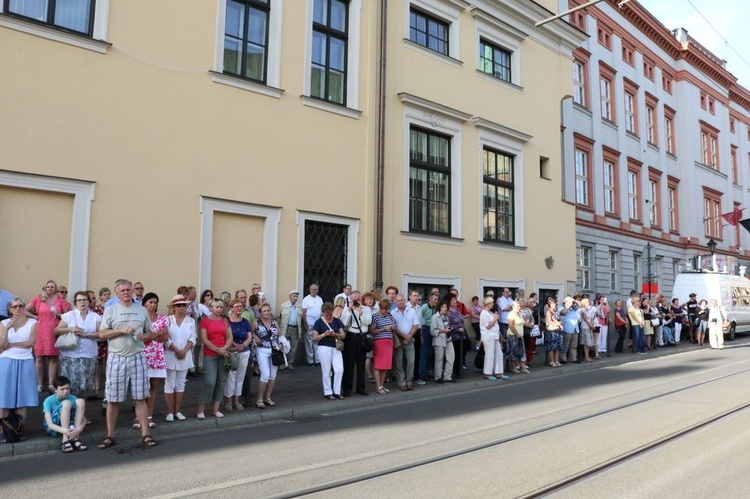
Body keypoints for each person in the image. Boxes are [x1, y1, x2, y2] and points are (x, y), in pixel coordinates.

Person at [97, 279, 156, 449]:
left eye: (129, 290)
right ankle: (110, 435)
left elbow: (150, 332)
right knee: (113, 399)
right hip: (116, 357)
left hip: (137, 356)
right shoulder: (111, 310)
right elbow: (102, 334)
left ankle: (145, 434)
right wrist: (121, 330)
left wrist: (146, 336)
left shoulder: (142, 310)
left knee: (140, 397)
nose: (126, 293)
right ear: (117, 293)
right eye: (122, 290)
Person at [26, 280, 71, 393]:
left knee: (53, 358)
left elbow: (67, 317)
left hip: (54, 331)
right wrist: (35, 317)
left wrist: (59, 315)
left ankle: (51, 384)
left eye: (52, 287)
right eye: (48, 287)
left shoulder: (60, 300)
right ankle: (39, 384)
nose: (50, 288)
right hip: (40, 331)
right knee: (40, 357)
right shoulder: (38, 298)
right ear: (45, 288)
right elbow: (24, 310)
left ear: (55, 289)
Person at [54, 291, 101, 400]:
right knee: (69, 386)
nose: (82, 302)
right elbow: (56, 331)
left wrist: (86, 335)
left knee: (85, 387)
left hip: (89, 355)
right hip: (70, 356)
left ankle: (81, 414)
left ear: (89, 302)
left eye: (84, 299)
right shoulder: (69, 315)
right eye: (79, 300)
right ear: (75, 302)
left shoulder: (95, 317)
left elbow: (101, 334)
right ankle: (67, 412)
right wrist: (71, 329)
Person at [0, 297, 38, 425]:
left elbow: (31, 343)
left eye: (21, 306)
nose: (18, 309)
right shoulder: (4, 323)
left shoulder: (32, 322)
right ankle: (2, 430)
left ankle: (18, 429)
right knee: (4, 397)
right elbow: (2, 345)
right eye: (15, 306)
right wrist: (7, 329)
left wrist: (11, 344)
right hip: (6, 361)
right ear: (10, 309)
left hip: (25, 360)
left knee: (23, 397)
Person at [197, 299, 233, 419]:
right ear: (210, 308)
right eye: (216, 307)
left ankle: (215, 409)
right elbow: (205, 339)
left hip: (224, 354)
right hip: (210, 354)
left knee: (221, 382)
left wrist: (225, 348)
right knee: (210, 382)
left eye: (221, 307)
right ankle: (201, 409)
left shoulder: (225, 320)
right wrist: (219, 350)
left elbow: (229, 337)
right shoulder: (205, 321)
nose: (219, 309)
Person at [163, 294, 195, 422]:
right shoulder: (167, 320)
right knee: (169, 383)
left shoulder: (190, 321)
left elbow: (192, 338)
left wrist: (184, 351)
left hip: (185, 356)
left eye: (183, 305)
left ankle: (177, 411)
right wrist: (177, 350)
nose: (182, 307)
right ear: (173, 307)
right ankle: (169, 412)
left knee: (180, 384)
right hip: (171, 355)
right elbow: (166, 339)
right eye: (178, 305)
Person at [141, 292, 169, 429]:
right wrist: (157, 333)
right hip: (142, 355)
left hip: (157, 356)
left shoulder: (162, 318)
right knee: (141, 387)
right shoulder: (140, 317)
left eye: (155, 302)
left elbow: (166, 338)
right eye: (150, 302)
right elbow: (140, 338)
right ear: (145, 303)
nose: (153, 305)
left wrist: (150, 336)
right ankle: (139, 416)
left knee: (153, 386)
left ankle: (149, 415)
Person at [43, 375, 87, 453]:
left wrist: (79, 430)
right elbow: (50, 425)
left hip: (71, 428)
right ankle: (65, 440)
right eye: (62, 389)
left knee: (80, 401)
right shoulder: (48, 400)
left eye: (67, 388)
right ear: (55, 390)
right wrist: (66, 431)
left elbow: (84, 419)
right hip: (54, 428)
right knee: (66, 403)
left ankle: (76, 438)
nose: (65, 391)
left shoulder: (72, 397)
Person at [340, 290, 371, 396]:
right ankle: (347, 389)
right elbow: (344, 323)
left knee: (361, 364)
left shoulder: (366, 309)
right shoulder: (346, 309)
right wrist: (349, 310)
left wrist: (360, 312)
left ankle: (361, 388)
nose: (356, 301)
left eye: (358, 299)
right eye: (354, 299)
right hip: (350, 337)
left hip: (361, 337)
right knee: (349, 364)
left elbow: (368, 322)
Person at [222, 299, 252, 411]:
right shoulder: (228, 322)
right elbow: (227, 336)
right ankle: (228, 401)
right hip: (232, 351)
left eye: (240, 306)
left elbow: (249, 336)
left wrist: (243, 345)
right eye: (236, 306)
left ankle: (237, 400)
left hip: (244, 351)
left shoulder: (245, 321)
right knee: (231, 375)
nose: (239, 308)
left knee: (240, 376)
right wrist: (235, 345)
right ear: (231, 308)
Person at [312, 302, 345, 400]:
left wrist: (335, 334)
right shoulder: (319, 322)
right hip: (324, 347)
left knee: (339, 369)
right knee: (326, 370)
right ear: (323, 312)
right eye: (326, 312)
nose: (328, 315)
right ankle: (328, 392)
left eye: (330, 312)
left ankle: (337, 391)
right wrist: (324, 334)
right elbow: (315, 337)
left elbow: (343, 335)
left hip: (336, 347)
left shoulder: (337, 321)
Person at [254, 303, 281, 408]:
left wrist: (281, 343)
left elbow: (280, 334)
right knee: (265, 375)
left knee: (272, 375)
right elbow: (250, 332)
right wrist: (255, 336)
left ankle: (268, 397)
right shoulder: (256, 322)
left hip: (274, 350)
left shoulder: (274, 322)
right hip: (262, 350)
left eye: (268, 311)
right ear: (260, 313)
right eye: (264, 311)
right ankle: (259, 399)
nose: (266, 313)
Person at [392, 293, 419, 391]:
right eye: (398, 301)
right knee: (399, 363)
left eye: (401, 300)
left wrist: (409, 336)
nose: (400, 302)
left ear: (405, 300)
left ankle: (409, 382)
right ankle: (402, 383)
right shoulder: (392, 313)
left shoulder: (412, 311)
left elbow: (416, 325)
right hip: (398, 340)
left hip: (410, 339)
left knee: (411, 362)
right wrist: (405, 337)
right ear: (395, 302)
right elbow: (394, 328)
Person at [478, 296, 508, 380]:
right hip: (488, 337)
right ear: (487, 304)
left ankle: (499, 372)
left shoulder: (490, 313)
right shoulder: (483, 313)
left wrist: (499, 335)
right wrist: (495, 318)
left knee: (499, 354)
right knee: (489, 355)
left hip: (495, 336)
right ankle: (487, 373)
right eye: (491, 303)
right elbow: (488, 326)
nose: (493, 304)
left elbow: (495, 325)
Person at [369, 298, 395, 394]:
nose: (385, 311)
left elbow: (393, 325)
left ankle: (382, 385)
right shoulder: (375, 317)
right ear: (380, 307)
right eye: (384, 309)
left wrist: (392, 327)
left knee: (385, 366)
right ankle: (378, 386)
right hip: (379, 342)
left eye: (387, 309)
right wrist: (384, 329)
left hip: (389, 341)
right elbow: (372, 331)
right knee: (378, 365)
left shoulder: (390, 315)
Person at [430, 300, 455, 383]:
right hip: (439, 340)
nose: (444, 308)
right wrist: (444, 330)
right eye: (443, 307)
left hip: (448, 339)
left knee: (451, 358)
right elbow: (433, 331)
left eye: (446, 307)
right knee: (439, 359)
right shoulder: (435, 317)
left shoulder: (446, 317)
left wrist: (449, 329)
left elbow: (447, 327)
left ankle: (447, 376)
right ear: (439, 307)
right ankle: (438, 377)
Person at [279, 290, 302, 370]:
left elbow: (300, 318)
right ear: (290, 297)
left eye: (296, 296)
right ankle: (282, 363)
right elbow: (279, 317)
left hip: (295, 328)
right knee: (283, 345)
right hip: (286, 328)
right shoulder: (283, 305)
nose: (295, 298)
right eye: (294, 296)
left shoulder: (299, 306)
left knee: (293, 346)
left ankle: (289, 362)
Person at [302, 284, 324, 366]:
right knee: (309, 342)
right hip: (309, 323)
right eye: (312, 289)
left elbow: (322, 311)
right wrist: (305, 323)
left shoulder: (320, 299)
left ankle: (317, 360)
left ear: (317, 290)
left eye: (315, 289)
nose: (313, 290)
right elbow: (303, 312)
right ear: (309, 290)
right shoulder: (306, 299)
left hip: (318, 323)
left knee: (317, 341)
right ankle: (310, 360)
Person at [419, 293, 438, 382]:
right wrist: (421, 334)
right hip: (425, 329)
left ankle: (427, 371)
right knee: (424, 352)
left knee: (430, 352)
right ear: (430, 299)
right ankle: (422, 373)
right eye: (435, 299)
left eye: (437, 300)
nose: (436, 301)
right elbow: (419, 319)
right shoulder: (424, 307)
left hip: (432, 330)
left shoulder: (435, 308)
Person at [507, 302, 530, 374]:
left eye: (519, 306)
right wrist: (516, 334)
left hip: (520, 335)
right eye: (517, 306)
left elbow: (523, 322)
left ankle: (523, 367)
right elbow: (511, 325)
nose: (519, 308)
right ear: (513, 307)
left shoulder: (519, 314)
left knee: (522, 351)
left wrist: (529, 324)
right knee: (513, 352)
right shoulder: (511, 314)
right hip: (513, 336)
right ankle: (513, 367)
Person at [544, 298, 564, 367]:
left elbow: (559, 319)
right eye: (553, 303)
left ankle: (557, 360)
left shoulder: (556, 312)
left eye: (555, 303)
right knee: (552, 347)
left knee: (558, 347)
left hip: (558, 331)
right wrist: (558, 324)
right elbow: (549, 322)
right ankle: (552, 361)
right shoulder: (548, 312)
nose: (554, 305)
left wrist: (560, 323)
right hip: (551, 331)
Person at [559, 296, 579, 364]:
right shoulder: (561, 308)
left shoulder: (573, 309)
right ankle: (563, 358)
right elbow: (563, 312)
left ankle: (573, 358)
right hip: (567, 329)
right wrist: (568, 305)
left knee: (574, 345)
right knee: (565, 345)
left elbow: (579, 306)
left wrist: (575, 302)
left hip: (575, 329)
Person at [578, 297, 596, 362]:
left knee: (589, 343)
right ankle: (586, 356)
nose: (589, 303)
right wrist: (590, 325)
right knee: (586, 343)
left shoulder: (589, 310)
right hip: (585, 327)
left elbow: (591, 318)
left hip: (589, 327)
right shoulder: (582, 310)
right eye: (587, 301)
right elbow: (585, 319)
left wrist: (592, 324)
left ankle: (587, 356)